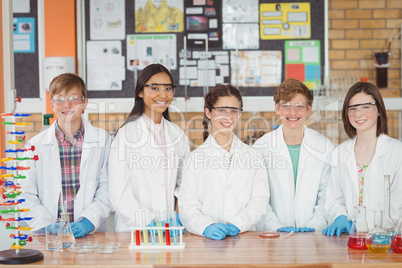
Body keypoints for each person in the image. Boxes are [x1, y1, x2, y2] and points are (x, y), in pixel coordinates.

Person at [21, 73, 113, 237]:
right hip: (49, 238)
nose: (67, 104)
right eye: (60, 99)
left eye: (73, 98)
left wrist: (88, 221)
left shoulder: (102, 140)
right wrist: (47, 225)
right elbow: (25, 193)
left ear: (85, 102)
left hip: (91, 235)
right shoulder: (34, 145)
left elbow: (107, 187)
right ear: (52, 105)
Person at [179, 84, 269, 240]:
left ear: (239, 114)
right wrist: (205, 226)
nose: (228, 117)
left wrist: (239, 223)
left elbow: (259, 201)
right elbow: (188, 207)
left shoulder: (254, 156)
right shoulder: (193, 159)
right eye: (221, 110)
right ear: (208, 112)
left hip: (245, 240)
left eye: (234, 111)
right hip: (206, 243)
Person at [109, 64, 190, 232]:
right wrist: (148, 224)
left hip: (171, 228)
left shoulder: (177, 134)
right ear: (140, 92)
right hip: (134, 229)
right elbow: (119, 193)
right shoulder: (126, 134)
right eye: (154, 88)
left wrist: (177, 215)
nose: (163, 95)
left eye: (168, 89)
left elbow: (185, 182)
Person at [254, 78, 333, 233]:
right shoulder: (261, 147)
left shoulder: (324, 147)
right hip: (274, 237)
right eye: (286, 106)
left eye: (299, 106)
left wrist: (314, 226)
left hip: (315, 236)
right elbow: (259, 199)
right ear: (277, 108)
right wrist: (275, 228)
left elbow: (327, 196)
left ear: (309, 109)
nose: (293, 112)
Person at [323, 81, 402, 236]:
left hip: (384, 241)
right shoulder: (340, 153)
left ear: (379, 110)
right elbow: (333, 199)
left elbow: (398, 206)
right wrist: (340, 217)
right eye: (353, 109)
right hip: (348, 241)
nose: (359, 114)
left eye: (366, 107)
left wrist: (359, 224)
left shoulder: (396, 151)